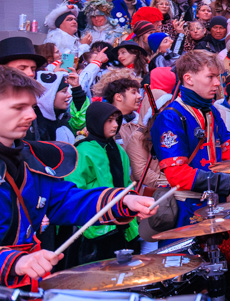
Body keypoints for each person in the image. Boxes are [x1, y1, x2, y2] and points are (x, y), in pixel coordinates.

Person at [0, 67, 155, 287]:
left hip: (26, 292)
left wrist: (122, 200)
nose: (32, 115)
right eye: (18, 108)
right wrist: (13, 262)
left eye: (32, 107)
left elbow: (66, 201)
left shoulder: (31, 158)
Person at [151, 51, 230, 228]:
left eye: (217, 77)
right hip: (184, 209)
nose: (217, 83)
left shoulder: (211, 111)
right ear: (188, 79)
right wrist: (228, 181)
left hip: (212, 202)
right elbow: (177, 174)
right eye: (210, 77)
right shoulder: (170, 118)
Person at [68, 101, 140, 263]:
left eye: (116, 120)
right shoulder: (83, 151)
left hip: (123, 222)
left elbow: (126, 181)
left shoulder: (117, 148)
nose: (115, 125)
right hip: (98, 226)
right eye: (109, 120)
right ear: (97, 121)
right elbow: (75, 189)